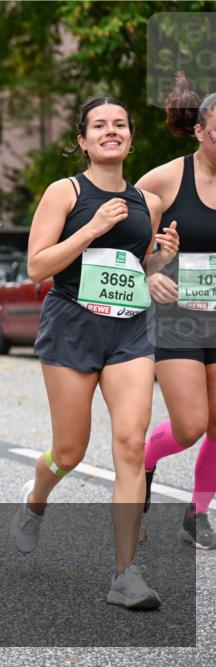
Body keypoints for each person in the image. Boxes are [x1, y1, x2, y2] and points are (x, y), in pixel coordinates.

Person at [9, 95, 180, 609]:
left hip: (128, 332)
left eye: (120, 124)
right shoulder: (65, 192)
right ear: (82, 140)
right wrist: (92, 227)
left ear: (130, 137)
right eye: (100, 125)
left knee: (130, 444)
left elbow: (135, 267)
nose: (111, 131)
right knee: (69, 451)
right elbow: (37, 267)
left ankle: (125, 574)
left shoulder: (148, 202)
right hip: (72, 327)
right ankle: (35, 499)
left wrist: (160, 261)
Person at [137, 74, 216, 549]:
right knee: (190, 426)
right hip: (177, 318)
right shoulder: (164, 180)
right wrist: (149, 274)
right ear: (200, 130)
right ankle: (145, 460)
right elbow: (127, 246)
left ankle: (197, 512)